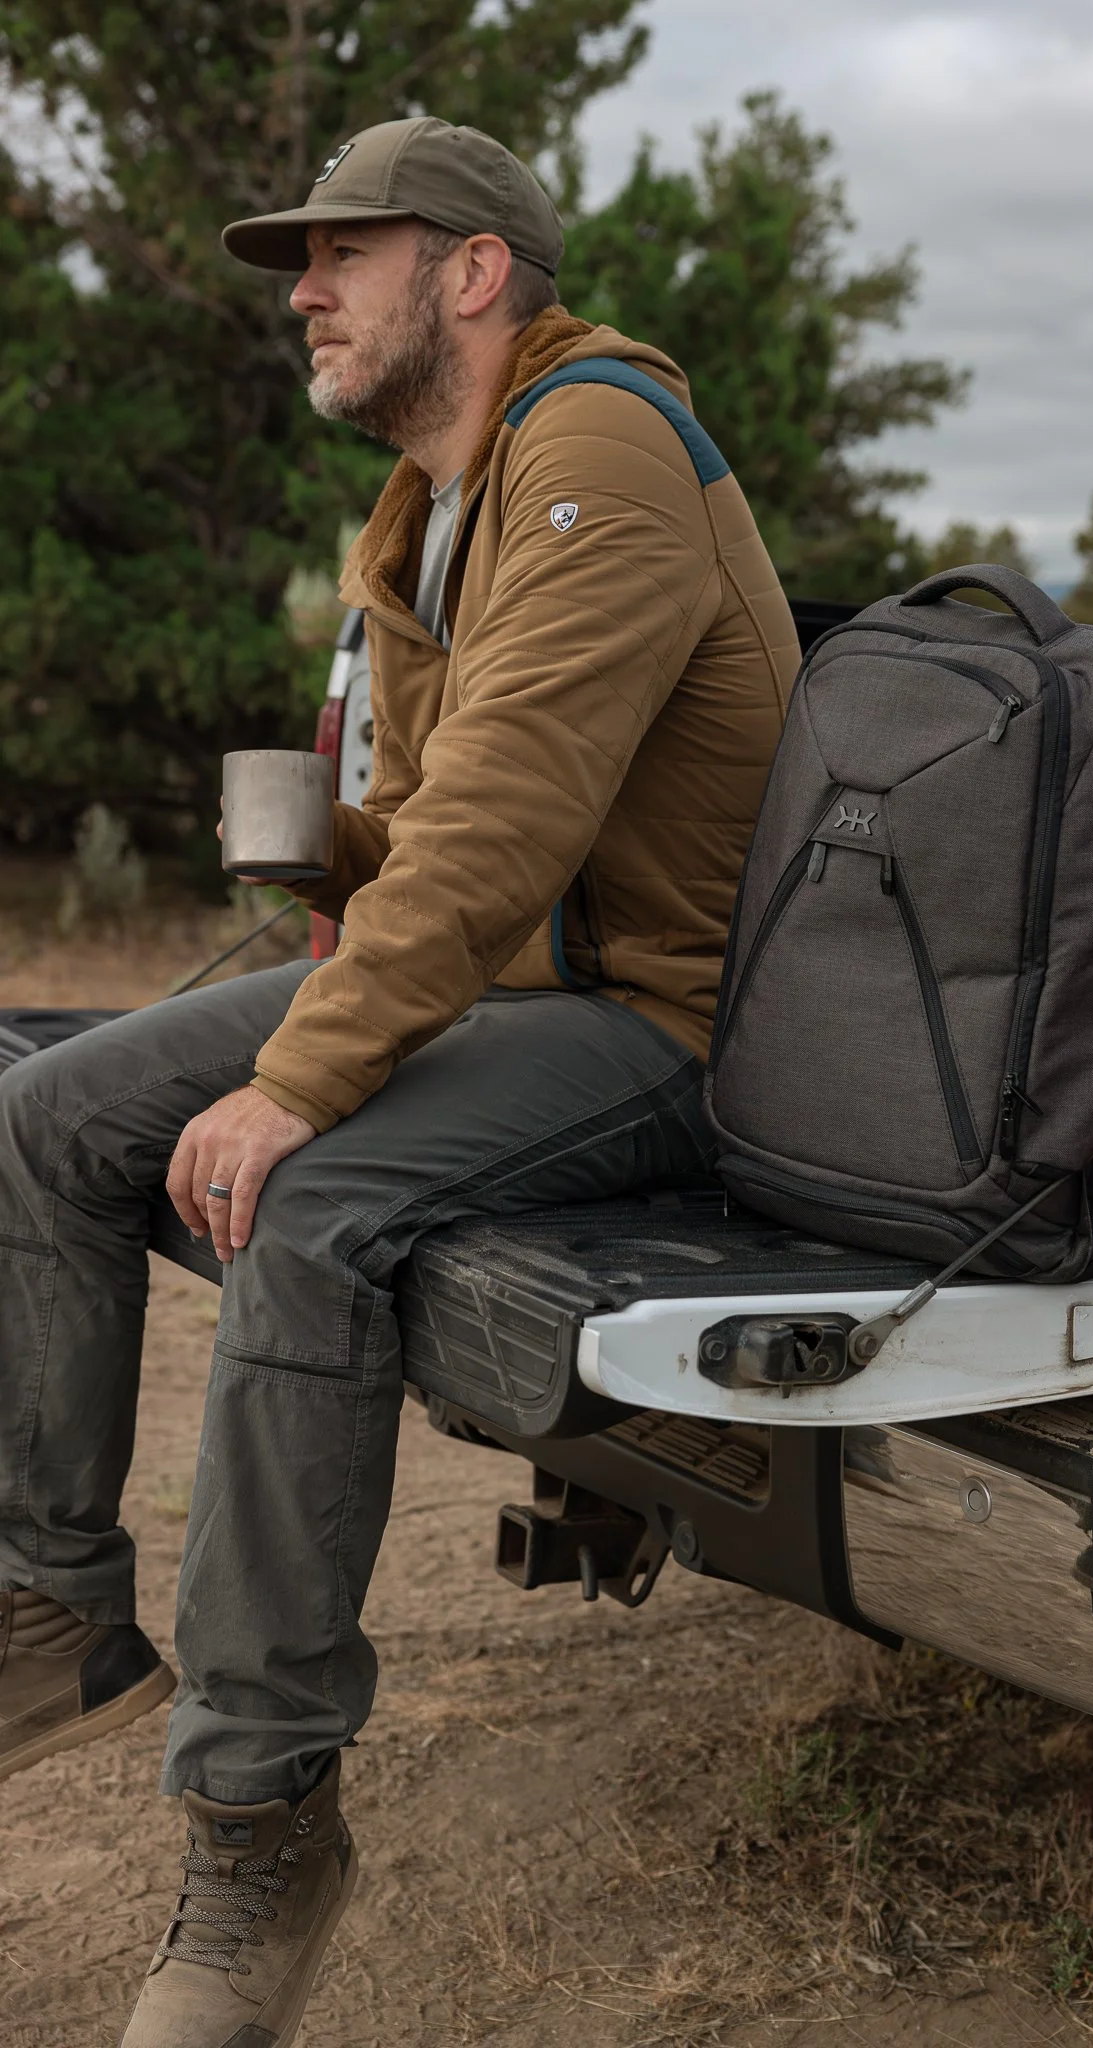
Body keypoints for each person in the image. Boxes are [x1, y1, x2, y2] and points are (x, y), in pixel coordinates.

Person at [0, 116, 797, 2046]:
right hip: (520, 989)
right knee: (45, 1116)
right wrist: (329, 861)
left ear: (473, 270)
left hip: (667, 1028)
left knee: (314, 1195)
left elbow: (518, 815)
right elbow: (453, 827)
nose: (302, 291)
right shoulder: (437, 504)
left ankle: (263, 1819)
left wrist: (303, 1077)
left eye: (343, 253)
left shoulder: (597, 438)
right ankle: (51, 1613)